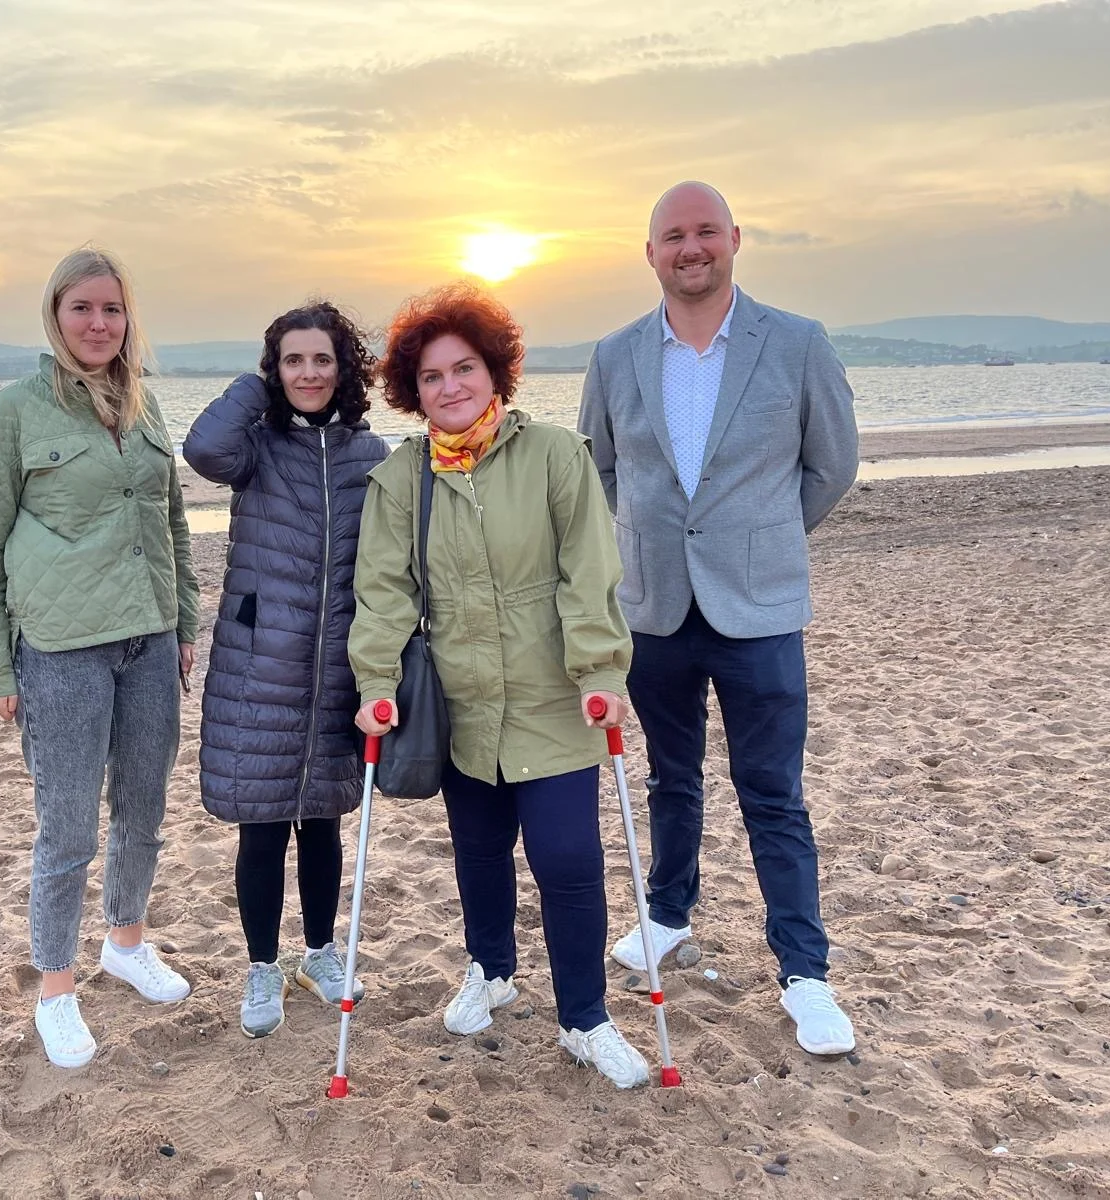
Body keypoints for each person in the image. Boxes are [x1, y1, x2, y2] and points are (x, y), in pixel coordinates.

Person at [576, 181, 860, 1056]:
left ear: (734, 238)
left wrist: (759, 539)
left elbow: (832, 466)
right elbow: (601, 472)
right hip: (655, 608)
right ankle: (668, 914)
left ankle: (805, 974)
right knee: (673, 780)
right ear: (650, 252)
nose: (690, 248)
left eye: (705, 232)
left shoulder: (798, 343)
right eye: (673, 236)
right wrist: (656, 545)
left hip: (760, 609)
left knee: (773, 794)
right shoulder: (615, 355)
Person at [349, 283, 652, 1089]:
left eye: (464, 368)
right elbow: (384, 593)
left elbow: (588, 572)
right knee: (479, 851)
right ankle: (491, 970)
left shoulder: (556, 455)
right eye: (432, 376)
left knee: (567, 858)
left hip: (553, 695)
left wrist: (601, 670)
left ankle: (585, 1017)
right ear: (413, 392)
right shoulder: (401, 478)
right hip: (460, 701)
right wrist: (376, 682)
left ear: (495, 372)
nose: (449, 386)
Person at [0, 247, 199, 1069]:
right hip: (60, 652)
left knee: (143, 808)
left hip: (149, 641)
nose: (99, 324)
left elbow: (171, 523)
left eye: (113, 309)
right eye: (82, 308)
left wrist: (184, 622)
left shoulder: (144, 405)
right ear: (55, 315)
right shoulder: (16, 411)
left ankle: (126, 943)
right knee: (66, 829)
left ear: (129, 318)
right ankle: (56, 990)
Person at [182, 301, 389, 1038]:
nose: (308, 373)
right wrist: (257, 385)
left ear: (343, 368)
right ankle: (263, 965)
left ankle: (320, 954)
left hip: (336, 668)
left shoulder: (371, 455)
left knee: (324, 821)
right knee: (263, 827)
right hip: (257, 666)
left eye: (321, 359)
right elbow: (202, 448)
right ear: (275, 368)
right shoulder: (255, 448)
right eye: (292, 359)